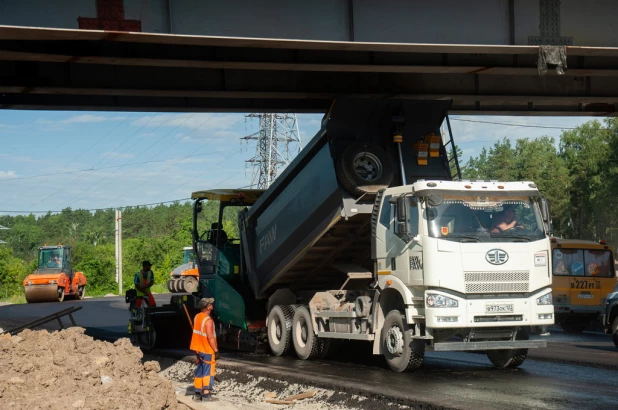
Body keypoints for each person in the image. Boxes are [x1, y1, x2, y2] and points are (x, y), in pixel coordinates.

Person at [190, 297, 219, 401]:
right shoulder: (208, 321)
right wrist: (216, 350)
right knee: (208, 372)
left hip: (198, 349)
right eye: (211, 304)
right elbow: (210, 337)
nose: (212, 305)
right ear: (208, 307)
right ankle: (206, 394)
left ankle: (197, 393)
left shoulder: (197, 316)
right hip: (207, 350)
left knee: (199, 371)